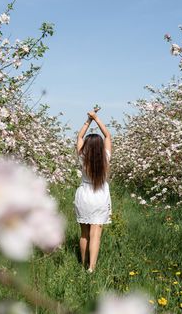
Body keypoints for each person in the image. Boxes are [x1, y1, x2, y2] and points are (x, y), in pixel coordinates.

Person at [74, 108, 112, 273]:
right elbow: (108, 136)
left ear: (87, 147)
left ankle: (83, 264)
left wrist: (88, 120)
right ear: (100, 146)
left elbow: (79, 136)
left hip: (84, 195)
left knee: (84, 233)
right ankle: (92, 268)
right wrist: (96, 118)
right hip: (100, 196)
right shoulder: (105, 158)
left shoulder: (82, 157)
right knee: (96, 233)